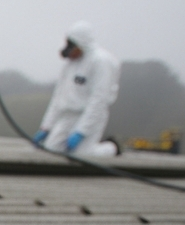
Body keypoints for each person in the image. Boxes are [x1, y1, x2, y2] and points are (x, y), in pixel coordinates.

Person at [34, 22, 121, 156]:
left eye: (72, 45)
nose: (69, 50)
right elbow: (58, 97)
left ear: (82, 43)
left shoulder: (101, 62)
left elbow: (99, 99)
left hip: (90, 115)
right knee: (52, 150)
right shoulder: (70, 64)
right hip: (68, 115)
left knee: (82, 155)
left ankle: (111, 147)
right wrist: (46, 127)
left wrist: (81, 131)